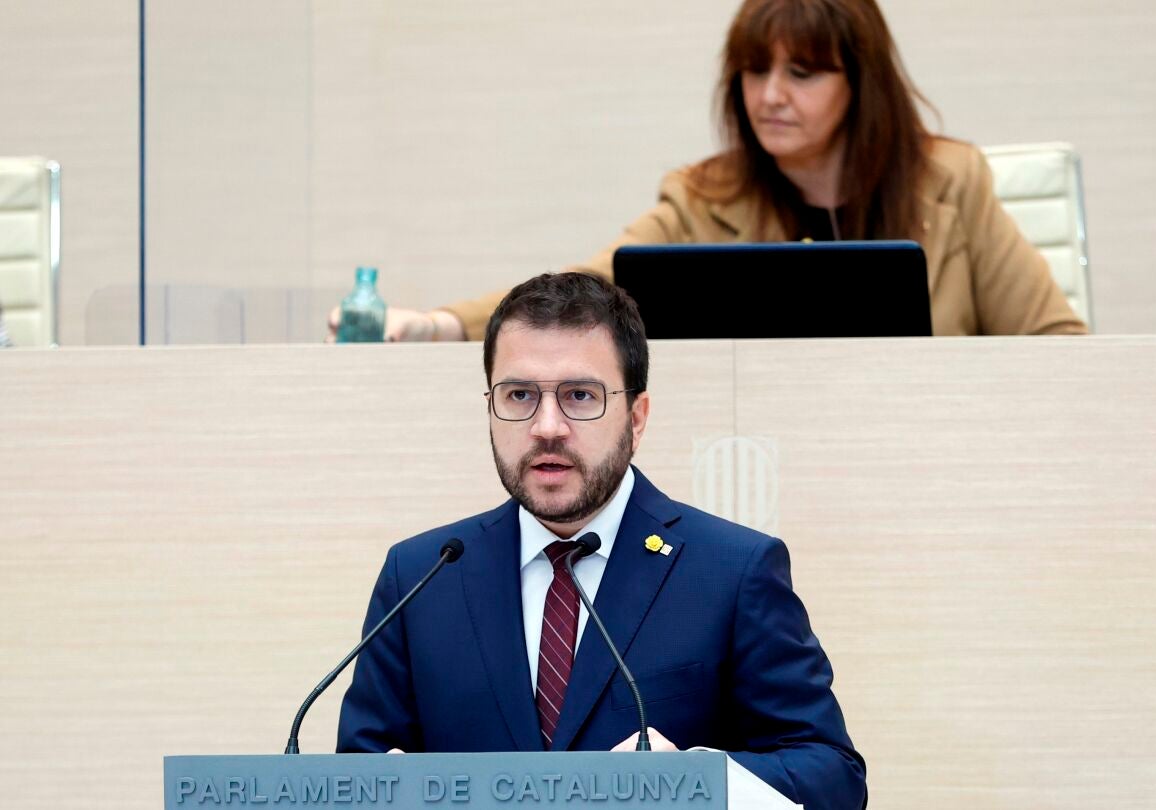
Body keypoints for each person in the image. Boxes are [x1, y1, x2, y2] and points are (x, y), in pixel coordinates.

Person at [336, 272, 867, 810]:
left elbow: (833, 774)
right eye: (519, 395)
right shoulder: (422, 575)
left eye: (580, 396)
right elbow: (357, 772)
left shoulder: (732, 571)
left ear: (636, 418)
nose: (547, 427)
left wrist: (697, 781)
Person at [331, 0, 1086, 342]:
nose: (770, 95)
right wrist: (439, 326)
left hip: (929, 460)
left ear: (862, 86)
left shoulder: (952, 182)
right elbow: (582, 291)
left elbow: (1056, 344)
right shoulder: (702, 197)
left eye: (802, 73)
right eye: (755, 71)